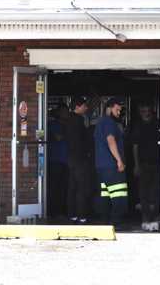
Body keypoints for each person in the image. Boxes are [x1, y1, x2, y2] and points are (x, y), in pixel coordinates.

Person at [94, 97, 128, 227]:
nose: (119, 113)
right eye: (117, 109)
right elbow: (111, 140)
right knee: (119, 194)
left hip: (101, 166)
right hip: (111, 166)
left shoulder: (100, 123)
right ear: (110, 107)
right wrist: (119, 160)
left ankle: (105, 222)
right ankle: (117, 223)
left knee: (104, 196)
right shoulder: (109, 123)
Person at [131, 103, 160, 232]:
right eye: (142, 110)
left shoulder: (157, 124)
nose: (144, 112)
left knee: (156, 192)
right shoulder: (137, 126)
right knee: (143, 192)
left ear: (151, 110)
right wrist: (136, 165)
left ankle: (155, 218)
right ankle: (145, 218)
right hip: (143, 163)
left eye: (146, 109)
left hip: (157, 162)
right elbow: (135, 146)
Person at [65, 96, 92, 224]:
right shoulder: (79, 120)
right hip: (80, 158)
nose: (86, 108)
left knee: (72, 187)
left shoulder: (68, 120)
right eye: (84, 106)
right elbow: (83, 140)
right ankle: (82, 216)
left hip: (71, 158)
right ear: (77, 107)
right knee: (82, 187)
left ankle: (72, 215)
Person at [47, 103, 69, 219]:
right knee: (55, 188)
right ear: (59, 113)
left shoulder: (66, 125)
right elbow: (58, 137)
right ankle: (53, 211)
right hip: (55, 161)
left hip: (65, 161)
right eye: (64, 111)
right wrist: (70, 131)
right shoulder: (53, 125)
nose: (66, 114)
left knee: (64, 187)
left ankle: (62, 210)